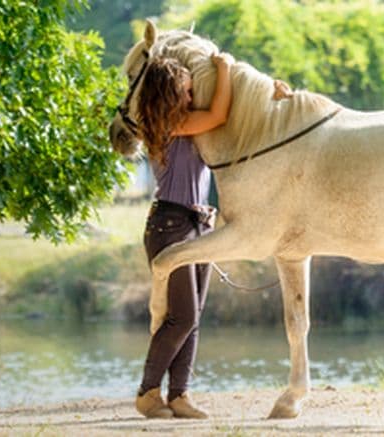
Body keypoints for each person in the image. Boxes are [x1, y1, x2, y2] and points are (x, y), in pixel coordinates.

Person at [133, 53, 293, 419]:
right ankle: (147, 392)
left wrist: (271, 95)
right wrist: (223, 68)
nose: (191, 98)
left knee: (191, 316)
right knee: (182, 317)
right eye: (187, 92)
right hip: (170, 225)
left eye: (192, 93)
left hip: (198, 223)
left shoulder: (189, 123)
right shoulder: (168, 123)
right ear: (171, 95)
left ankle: (179, 395)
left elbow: (231, 119)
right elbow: (219, 114)